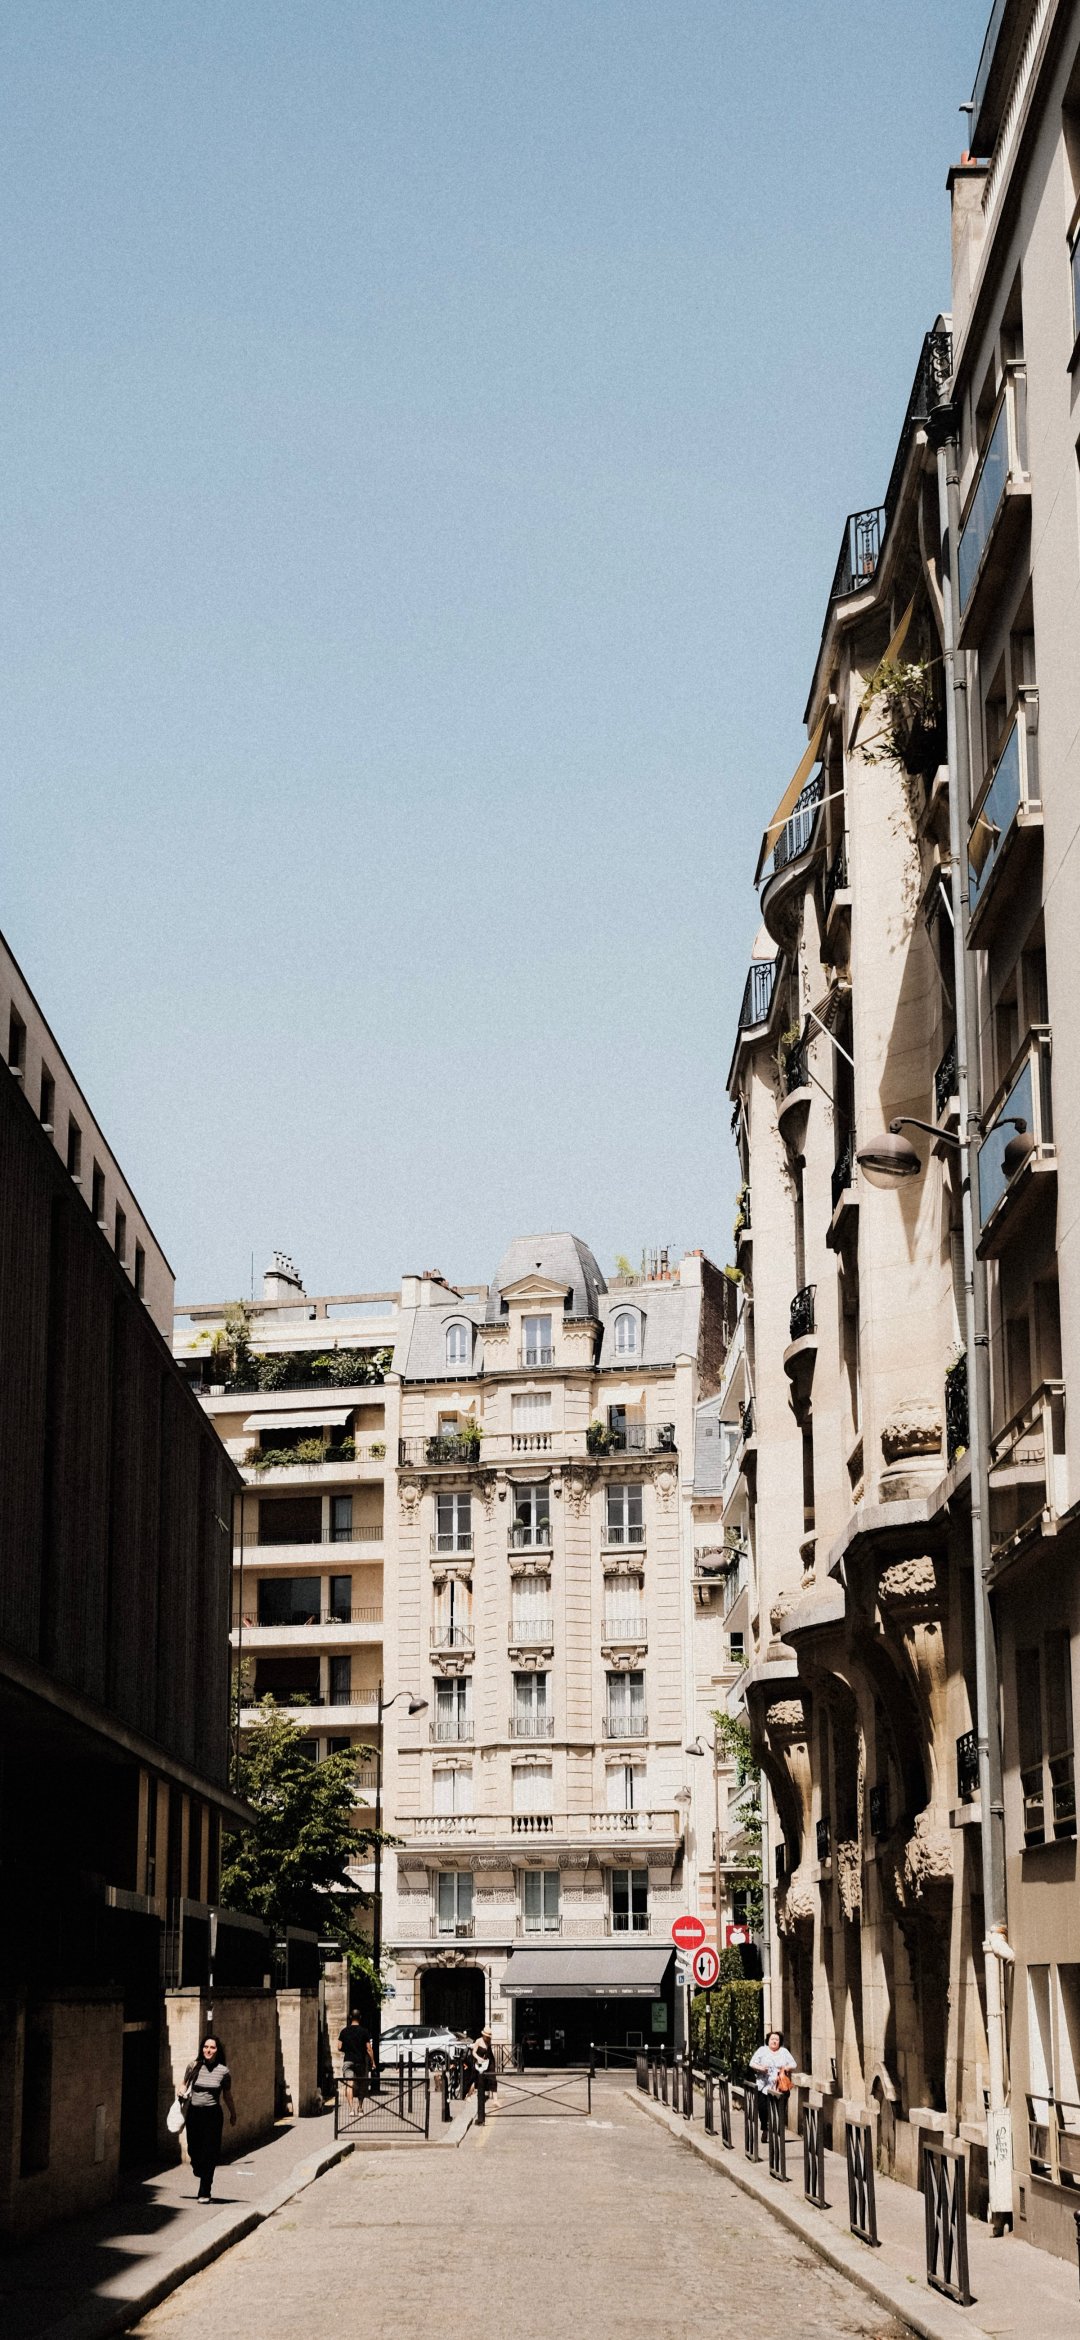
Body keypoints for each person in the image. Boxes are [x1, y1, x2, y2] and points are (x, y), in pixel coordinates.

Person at [182, 2035, 236, 2203]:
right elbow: (184, 2084)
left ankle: (205, 2191)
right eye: (206, 2047)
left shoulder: (223, 2071)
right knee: (193, 2149)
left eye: (212, 2047)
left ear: (217, 2050)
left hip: (212, 2115)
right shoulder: (193, 2066)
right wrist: (181, 2091)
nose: (208, 2050)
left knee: (209, 2152)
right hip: (194, 2113)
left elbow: (227, 2095)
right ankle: (199, 2169)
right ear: (202, 2049)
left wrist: (233, 2113)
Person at [750, 2028, 797, 2107]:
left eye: (777, 2040)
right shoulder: (762, 2050)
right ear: (768, 2040)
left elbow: (794, 2064)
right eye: (772, 2039)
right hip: (764, 2087)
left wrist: (785, 2068)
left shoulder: (784, 2051)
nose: (774, 2041)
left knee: (779, 2110)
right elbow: (752, 2063)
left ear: (780, 2042)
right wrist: (761, 2068)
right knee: (763, 2110)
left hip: (780, 2087)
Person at [338, 2011, 375, 2106]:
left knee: (349, 2084)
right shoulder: (364, 2031)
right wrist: (373, 2062)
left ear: (350, 2017)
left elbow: (339, 2047)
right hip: (360, 2061)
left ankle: (351, 2109)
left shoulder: (344, 2031)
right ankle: (360, 2107)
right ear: (360, 2017)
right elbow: (369, 2049)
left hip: (348, 2060)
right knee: (362, 2085)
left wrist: (348, 2049)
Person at [472, 2027, 497, 2100]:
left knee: (493, 2078)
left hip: (488, 2061)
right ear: (483, 2035)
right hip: (479, 2062)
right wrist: (478, 2058)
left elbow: (489, 2052)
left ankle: (495, 2099)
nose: (488, 2038)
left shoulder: (489, 2041)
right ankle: (474, 2094)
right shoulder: (478, 2041)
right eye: (487, 2037)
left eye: (489, 2037)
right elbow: (473, 2052)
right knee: (479, 2078)